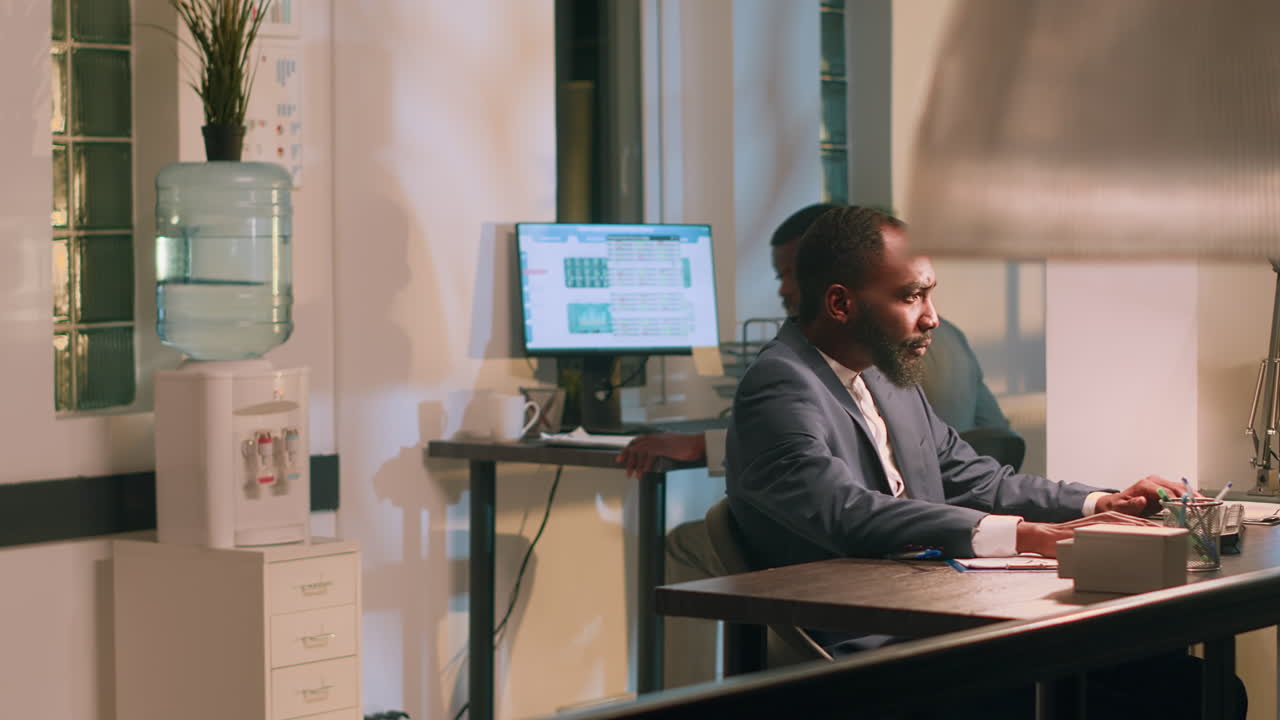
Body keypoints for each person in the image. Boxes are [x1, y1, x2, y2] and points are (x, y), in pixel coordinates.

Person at [725, 206, 1241, 718]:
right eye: (911, 296)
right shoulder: (781, 384)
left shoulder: (885, 377)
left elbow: (978, 479)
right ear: (840, 303)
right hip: (881, 657)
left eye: (929, 292)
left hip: (945, 625)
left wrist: (1104, 500)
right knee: (1168, 697)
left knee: (1197, 685)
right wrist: (1026, 534)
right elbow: (848, 511)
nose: (932, 317)